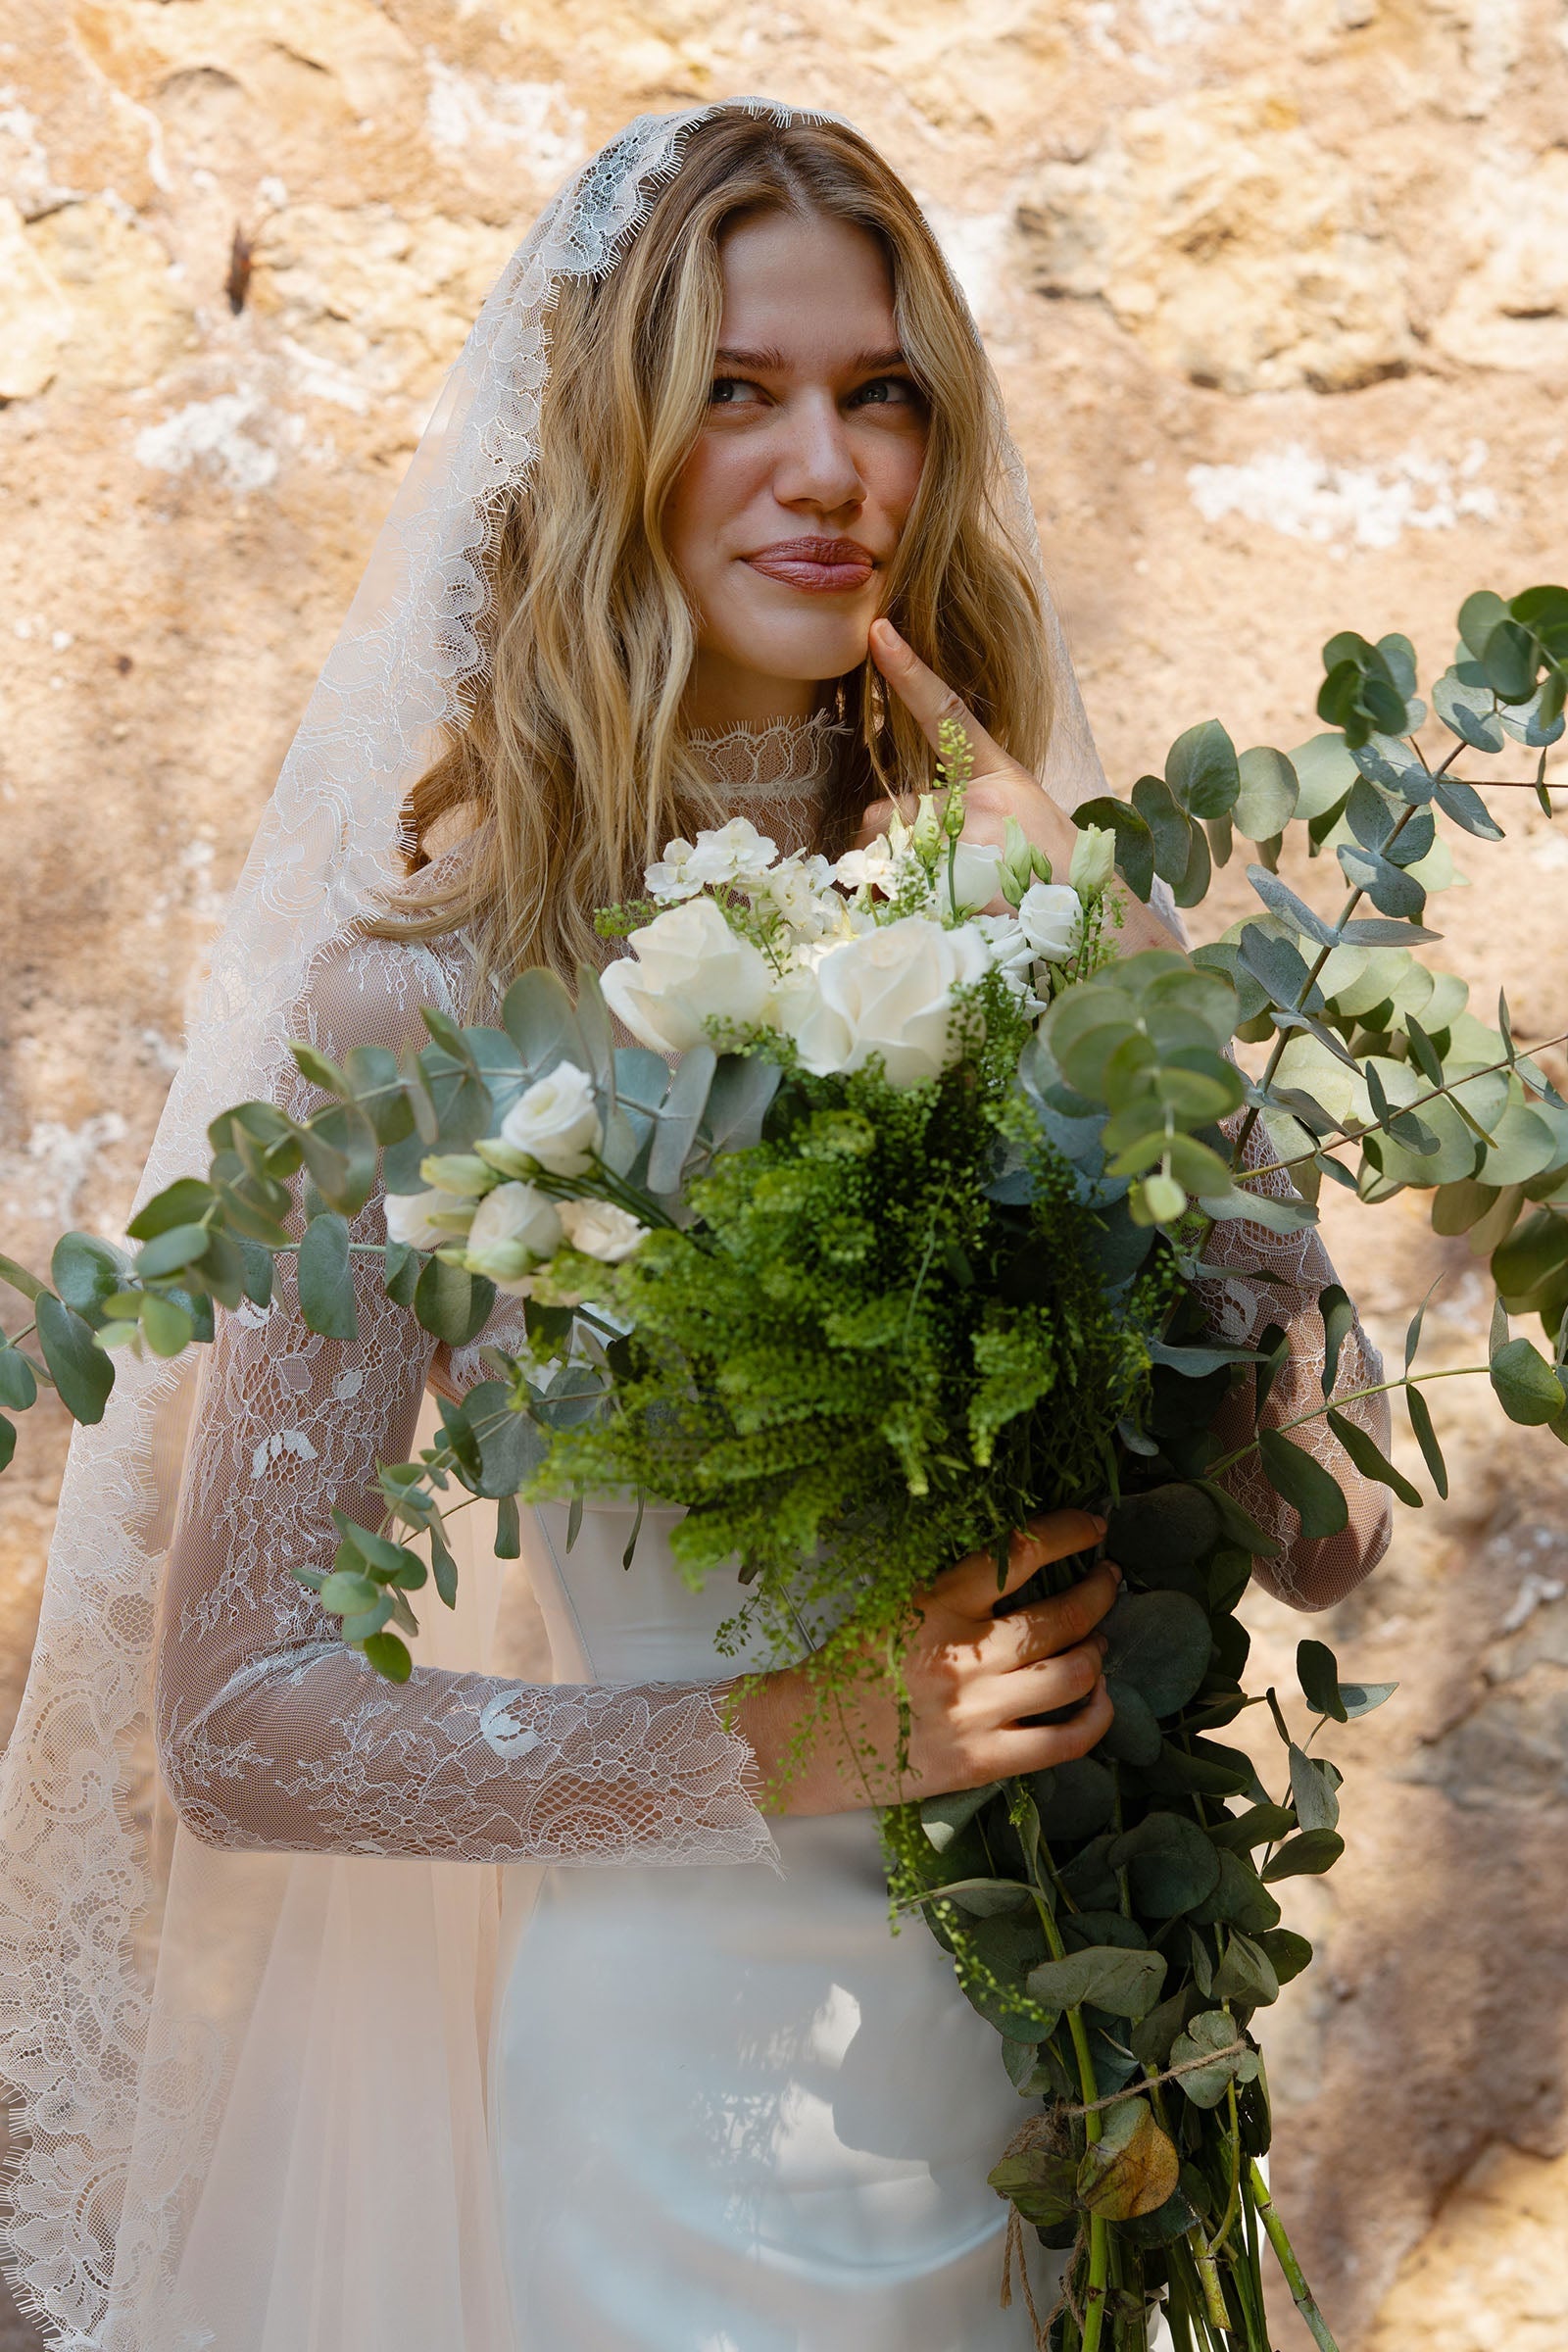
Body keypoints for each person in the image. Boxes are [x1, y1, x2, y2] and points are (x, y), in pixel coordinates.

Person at [0, 101, 1391, 2352]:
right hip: (674, 2120)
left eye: (878, 394)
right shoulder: (430, 1008)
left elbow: (1322, 1538)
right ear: (603, 446)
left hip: (1054, 2085)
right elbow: (240, 1721)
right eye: (734, 392)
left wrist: (1123, 993)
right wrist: (794, 1737)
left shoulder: (1045, 922)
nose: (824, 469)